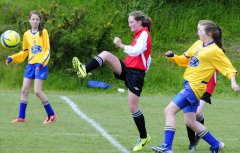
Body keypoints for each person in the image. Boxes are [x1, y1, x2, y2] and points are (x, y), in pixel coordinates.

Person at [152, 20, 240, 153]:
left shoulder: (215, 50)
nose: (197, 33)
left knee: (169, 111)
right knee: (190, 121)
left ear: (209, 34)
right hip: (189, 85)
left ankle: (167, 147)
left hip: (194, 88)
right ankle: (216, 144)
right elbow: (184, 59)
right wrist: (172, 57)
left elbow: (229, 68)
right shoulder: (198, 44)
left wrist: (233, 82)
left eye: (200, 30)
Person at [72, 10, 152, 151]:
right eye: (128, 22)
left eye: (131, 22)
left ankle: (144, 137)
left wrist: (121, 45)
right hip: (128, 69)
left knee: (133, 107)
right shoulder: (139, 35)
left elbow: (137, 51)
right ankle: (85, 70)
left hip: (136, 75)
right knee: (106, 54)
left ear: (139, 22)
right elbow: (143, 55)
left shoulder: (145, 33)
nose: (129, 25)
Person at [6, 10, 57, 124]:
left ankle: (52, 115)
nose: (35, 21)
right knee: (24, 90)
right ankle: (21, 117)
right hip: (30, 65)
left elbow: (47, 50)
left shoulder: (43, 32)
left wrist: (41, 63)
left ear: (40, 21)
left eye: (37, 19)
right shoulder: (26, 35)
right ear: (29, 20)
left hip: (41, 65)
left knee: (37, 91)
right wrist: (12, 58)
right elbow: (24, 52)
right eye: (33, 19)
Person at [187, 71, 218, 152]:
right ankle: (192, 143)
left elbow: (227, 68)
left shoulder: (216, 58)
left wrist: (232, 80)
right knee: (191, 115)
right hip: (194, 87)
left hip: (207, 89)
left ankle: (199, 135)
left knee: (196, 113)